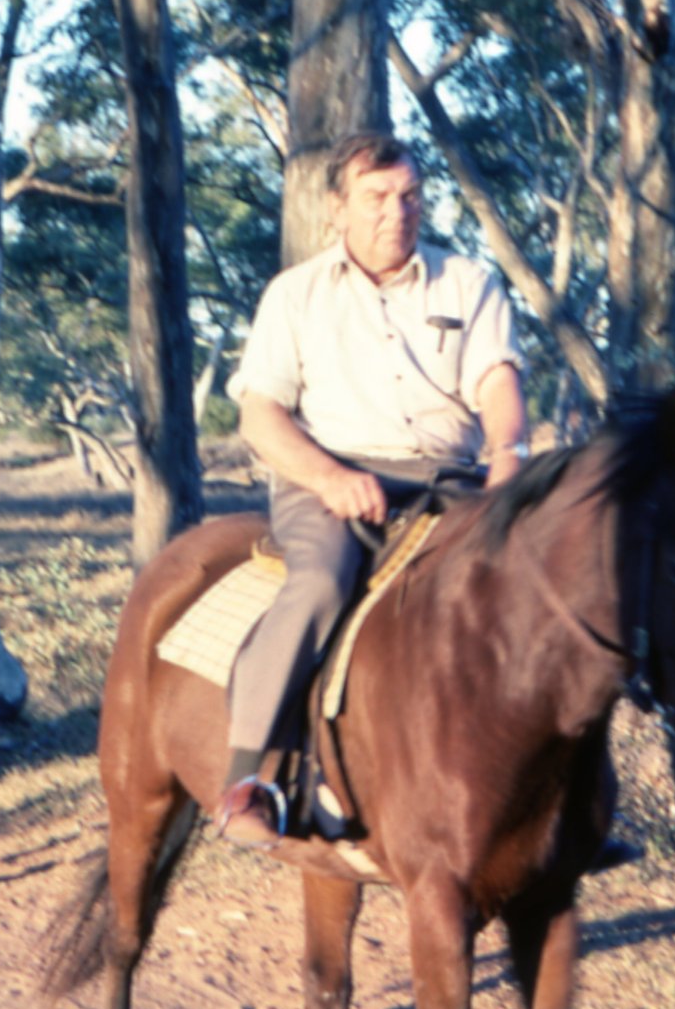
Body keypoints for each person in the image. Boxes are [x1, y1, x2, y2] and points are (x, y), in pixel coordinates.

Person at [216, 131, 529, 844]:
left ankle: (552, 791)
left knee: (540, 581)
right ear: (337, 210)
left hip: (453, 479)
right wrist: (329, 476)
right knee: (324, 581)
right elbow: (261, 414)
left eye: (411, 195)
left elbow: (496, 379)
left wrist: (507, 451)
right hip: (331, 477)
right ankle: (249, 780)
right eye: (377, 197)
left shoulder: (467, 281)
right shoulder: (294, 294)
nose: (398, 211)